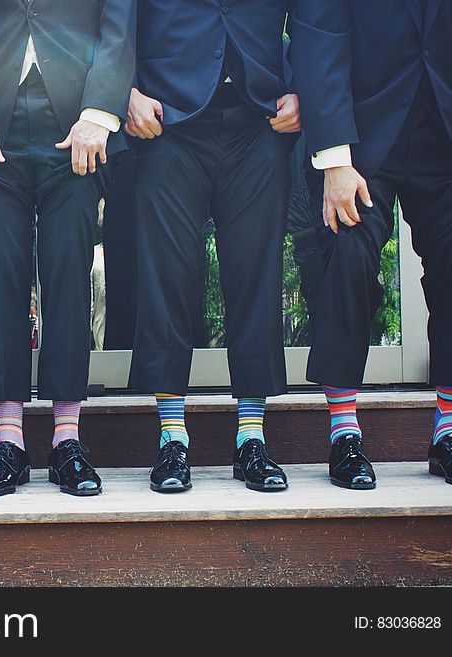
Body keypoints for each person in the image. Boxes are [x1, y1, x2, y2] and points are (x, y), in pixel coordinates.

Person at [0, 0, 136, 496]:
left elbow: (119, 21)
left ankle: (66, 440)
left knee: (69, 277)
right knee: (0, 277)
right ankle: (7, 440)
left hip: (78, 127)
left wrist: (100, 113)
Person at [292, 0, 452, 488]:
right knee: (347, 254)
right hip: (361, 140)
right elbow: (317, 34)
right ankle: (344, 432)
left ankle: (451, 430)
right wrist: (333, 159)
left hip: (450, 140)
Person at [128, 0, 301, 493]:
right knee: (168, 278)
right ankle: (171, 439)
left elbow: (314, 18)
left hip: (260, 122)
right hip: (166, 122)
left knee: (256, 277)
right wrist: (124, 93)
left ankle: (251, 438)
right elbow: (112, 17)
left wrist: (305, 91)